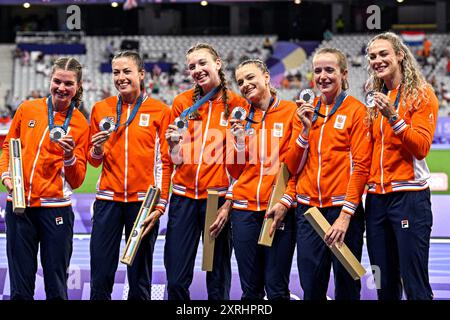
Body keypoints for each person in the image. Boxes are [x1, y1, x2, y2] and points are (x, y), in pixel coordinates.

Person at [285, 47, 372, 300]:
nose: (323, 76)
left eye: (330, 70)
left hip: (342, 212)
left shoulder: (356, 111)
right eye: (318, 70)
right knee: (311, 288)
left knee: (346, 288)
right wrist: (304, 130)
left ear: (344, 74)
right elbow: (292, 165)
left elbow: (361, 167)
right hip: (308, 213)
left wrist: (346, 215)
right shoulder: (303, 111)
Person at [164, 43, 248, 300]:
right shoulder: (181, 103)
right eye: (192, 67)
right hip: (183, 198)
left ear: (218, 63)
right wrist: (173, 146)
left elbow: (245, 162)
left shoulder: (238, 104)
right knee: (176, 277)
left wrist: (229, 203)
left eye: (202, 63)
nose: (197, 70)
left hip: (217, 199)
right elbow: (175, 159)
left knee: (217, 277)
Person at [0, 57, 89, 300]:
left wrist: (69, 156)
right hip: (19, 207)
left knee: (57, 286)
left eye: (68, 83)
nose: (61, 87)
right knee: (20, 286)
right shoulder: (27, 109)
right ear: (50, 80)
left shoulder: (81, 124)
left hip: (56, 209)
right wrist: (6, 176)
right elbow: (9, 146)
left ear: (78, 87)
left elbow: (78, 179)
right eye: (57, 81)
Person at [88, 50, 172, 300]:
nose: (121, 77)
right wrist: (96, 148)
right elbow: (93, 161)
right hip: (108, 202)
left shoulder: (160, 111)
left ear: (142, 74)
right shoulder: (100, 108)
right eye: (116, 72)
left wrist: (161, 203)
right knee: (101, 274)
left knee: (139, 277)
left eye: (127, 71)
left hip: (143, 204)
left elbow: (165, 163)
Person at [365, 32, 438, 300]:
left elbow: (421, 147)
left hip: (409, 197)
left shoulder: (421, 94)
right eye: (373, 56)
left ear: (399, 55)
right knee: (384, 285)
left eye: (384, 54)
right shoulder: (374, 98)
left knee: (415, 283)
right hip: (376, 200)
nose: (378, 60)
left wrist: (394, 118)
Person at [227, 58, 298, 300]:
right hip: (244, 211)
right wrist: (236, 142)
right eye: (240, 82)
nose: (245, 85)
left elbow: (297, 166)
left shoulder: (291, 112)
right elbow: (235, 172)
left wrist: (286, 201)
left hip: (277, 209)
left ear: (266, 77)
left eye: (250, 78)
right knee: (251, 290)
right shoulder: (240, 117)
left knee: (277, 288)